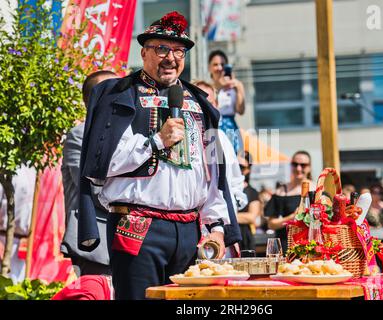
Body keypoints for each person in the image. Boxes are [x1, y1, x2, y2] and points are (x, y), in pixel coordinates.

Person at [77, 11, 241, 300]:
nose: (171, 58)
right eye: (162, 48)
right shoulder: (119, 95)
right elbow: (104, 162)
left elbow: (214, 175)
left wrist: (216, 226)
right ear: (144, 52)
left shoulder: (201, 105)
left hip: (190, 232)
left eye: (179, 51)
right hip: (138, 228)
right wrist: (156, 141)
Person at [60, 70, 118, 277]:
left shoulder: (130, 134)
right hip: (96, 244)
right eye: (113, 90)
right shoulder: (79, 135)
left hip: (128, 242)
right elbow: (94, 188)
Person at [192, 79, 247, 256]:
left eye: (211, 101)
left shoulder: (222, 137)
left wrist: (232, 208)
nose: (206, 105)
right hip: (196, 225)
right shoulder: (188, 137)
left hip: (225, 223)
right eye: (201, 99)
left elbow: (235, 181)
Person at [264, 150, 315, 253]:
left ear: (309, 167)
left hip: (312, 245)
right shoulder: (281, 191)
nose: (298, 168)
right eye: (295, 164)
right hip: (286, 245)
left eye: (303, 165)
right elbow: (271, 224)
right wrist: (291, 217)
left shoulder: (318, 190)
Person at [208, 49, 245, 154]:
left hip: (230, 126)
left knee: (233, 157)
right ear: (209, 67)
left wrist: (238, 90)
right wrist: (219, 87)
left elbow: (241, 110)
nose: (219, 68)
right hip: (214, 125)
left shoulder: (236, 85)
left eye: (222, 64)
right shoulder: (207, 86)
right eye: (215, 64)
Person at [236, 151, 261, 252]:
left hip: (244, 238)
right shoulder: (223, 188)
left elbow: (251, 217)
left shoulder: (252, 192)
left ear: (248, 170)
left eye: (241, 167)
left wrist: (225, 216)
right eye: (235, 165)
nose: (237, 169)